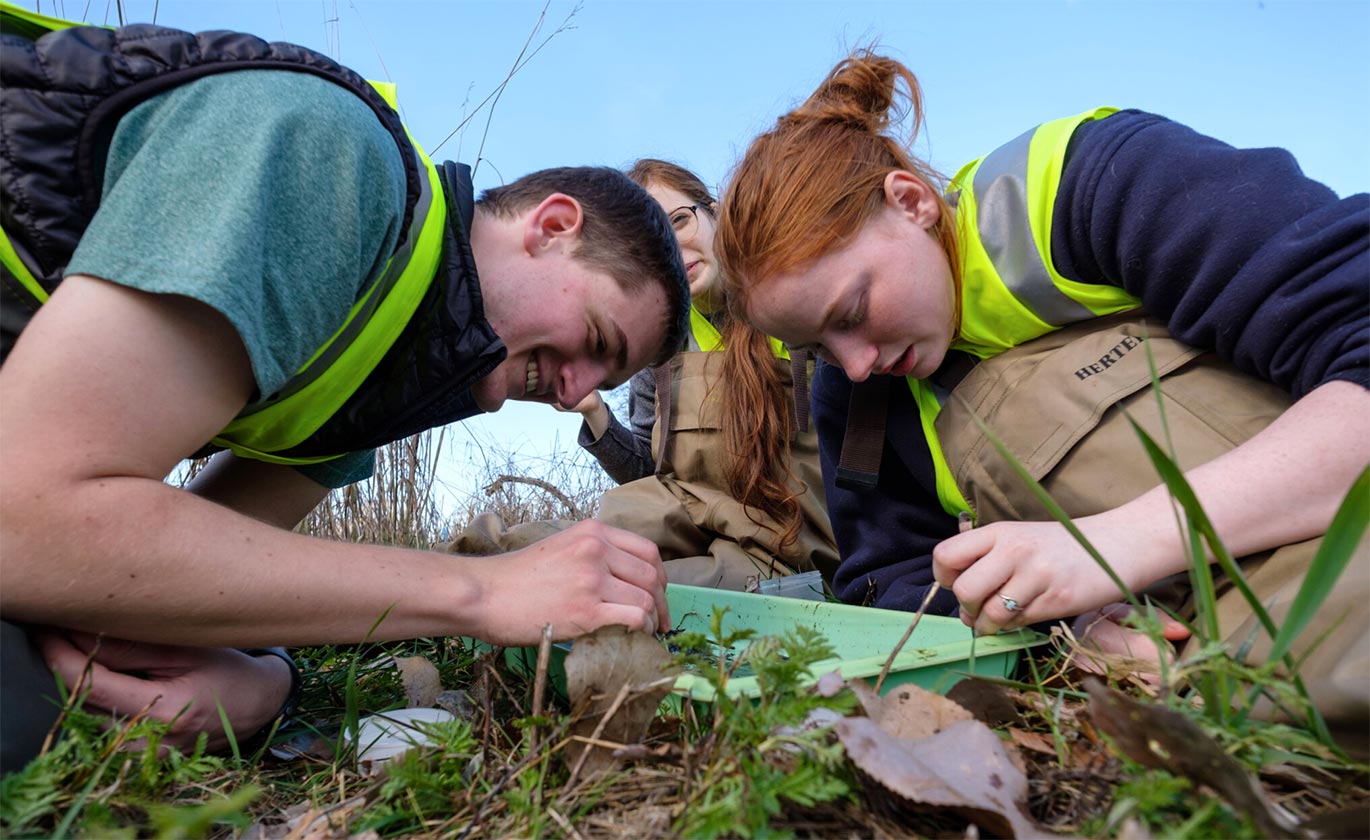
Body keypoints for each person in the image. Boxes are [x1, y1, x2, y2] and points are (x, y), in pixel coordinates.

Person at [0, 5, 689, 772]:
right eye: (597, 342)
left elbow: (149, 585)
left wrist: (266, 682)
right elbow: (22, 525)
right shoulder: (331, 155)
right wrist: (482, 591)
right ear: (552, 226)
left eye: (604, 381)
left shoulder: (379, 385)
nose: (572, 395)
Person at [712, 50, 1368, 739]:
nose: (855, 366)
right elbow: (896, 580)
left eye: (850, 313)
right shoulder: (858, 398)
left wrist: (1110, 547)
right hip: (1181, 647)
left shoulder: (1091, 184)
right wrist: (1062, 626)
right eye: (818, 348)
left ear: (911, 203)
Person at [563, 159, 839, 589]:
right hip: (698, 524)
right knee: (581, 543)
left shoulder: (790, 303)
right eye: (651, 242)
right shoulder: (662, 349)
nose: (672, 248)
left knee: (620, 585)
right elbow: (649, 475)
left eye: (679, 220)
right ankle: (477, 570)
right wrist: (595, 412)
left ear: (712, 211)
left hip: (791, 548)